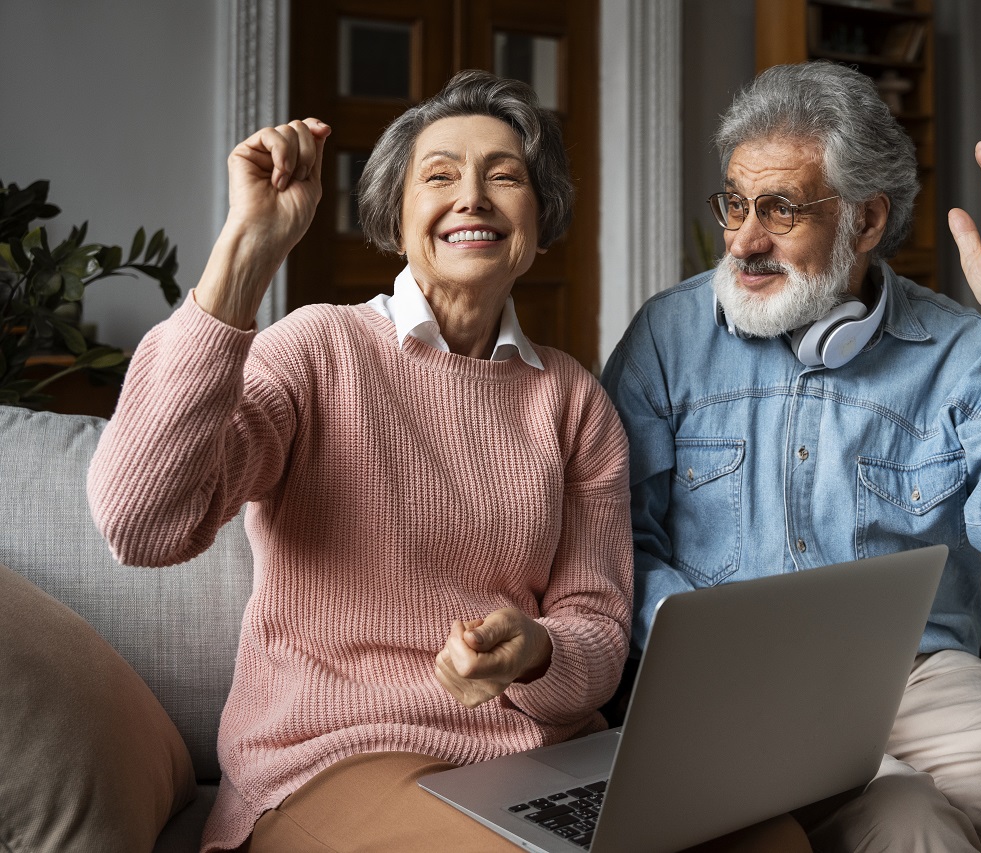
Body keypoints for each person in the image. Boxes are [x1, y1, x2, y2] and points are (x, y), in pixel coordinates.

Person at [86, 70, 638, 853]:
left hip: (534, 765)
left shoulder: (574, 401)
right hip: (335, 760)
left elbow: (599, 628)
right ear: (396, 215)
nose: (473, 196)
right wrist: (247, 251)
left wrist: (539, 650)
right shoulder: (318, 350)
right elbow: (141, 523)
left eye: (504, 175)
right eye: (439, 175)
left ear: (539, 222)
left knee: (771, 837)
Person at [601, 61, 981, 853]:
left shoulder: (956, 351)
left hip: (917, 678)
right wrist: (700, 643)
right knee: (906, 819)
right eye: (735, 203)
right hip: (735, 684)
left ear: (863, 221)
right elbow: (614, 540)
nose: (746, 238)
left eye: (781, 208)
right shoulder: (667, 338)